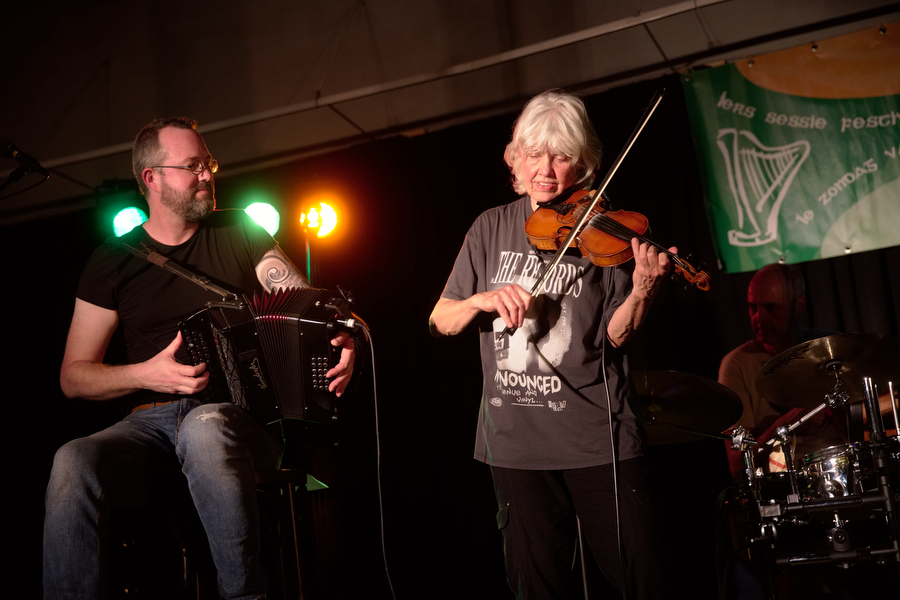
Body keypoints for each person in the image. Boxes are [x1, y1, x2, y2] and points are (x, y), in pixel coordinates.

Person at [43, 117, 355, 600]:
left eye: (208, 163)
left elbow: (307, 305)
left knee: (205, 425)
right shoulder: (112, 261)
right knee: (72, 459)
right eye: (193, 167)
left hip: (239, 421)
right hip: (148, 425)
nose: (208, 175)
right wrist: (147, 374)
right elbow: (73, 377)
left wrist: (343, 333)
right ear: (152, 178)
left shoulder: (240, 230)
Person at [429, 90, 671, 599]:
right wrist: (483, 300)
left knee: (641, 578)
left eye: (561, 156)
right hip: (516, 445)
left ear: (585, 164)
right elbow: (441, 320)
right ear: (515, 156)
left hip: (597, 437)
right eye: (534, 153)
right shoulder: (489, 227)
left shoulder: (604, 233)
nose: (546, 169)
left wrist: (644, 289)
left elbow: (616, 335)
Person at [718, 263, 842, 479]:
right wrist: (790, 424)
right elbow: (737, 465)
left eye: (771, 307)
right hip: (783, 485)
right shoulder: (735, 365)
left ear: (799, 305)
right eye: (752, 307)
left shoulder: (833, 348)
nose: (759, 318)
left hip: (843, 469)